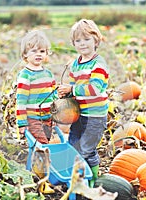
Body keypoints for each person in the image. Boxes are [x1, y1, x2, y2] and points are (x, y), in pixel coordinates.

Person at [57, 19, 109, 188]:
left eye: (86, 39)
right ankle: (77, 178)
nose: (82, 44)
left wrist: (72, 90)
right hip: (79, 115)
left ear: (96, 40)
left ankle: (91, 180)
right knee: (73, 145)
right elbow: (73, 88)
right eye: (78, 41)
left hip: (95, 117)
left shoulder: (98, 65)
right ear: (73, 43)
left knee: (85, 150)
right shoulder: (75, 64)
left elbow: (94, 89)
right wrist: (64, 97)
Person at [16, 30, 56, 144]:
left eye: (42, 51)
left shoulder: (48, 74)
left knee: (45, 143)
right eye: (34, 51)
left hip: (48, 118)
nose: (38, 54)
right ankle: (44, 161)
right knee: (42, 145)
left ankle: (38, 161)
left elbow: (54, 95)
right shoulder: (26, 75)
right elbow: (21, 102)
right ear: (25, 54)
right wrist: (22, 123)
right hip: (33, 119)